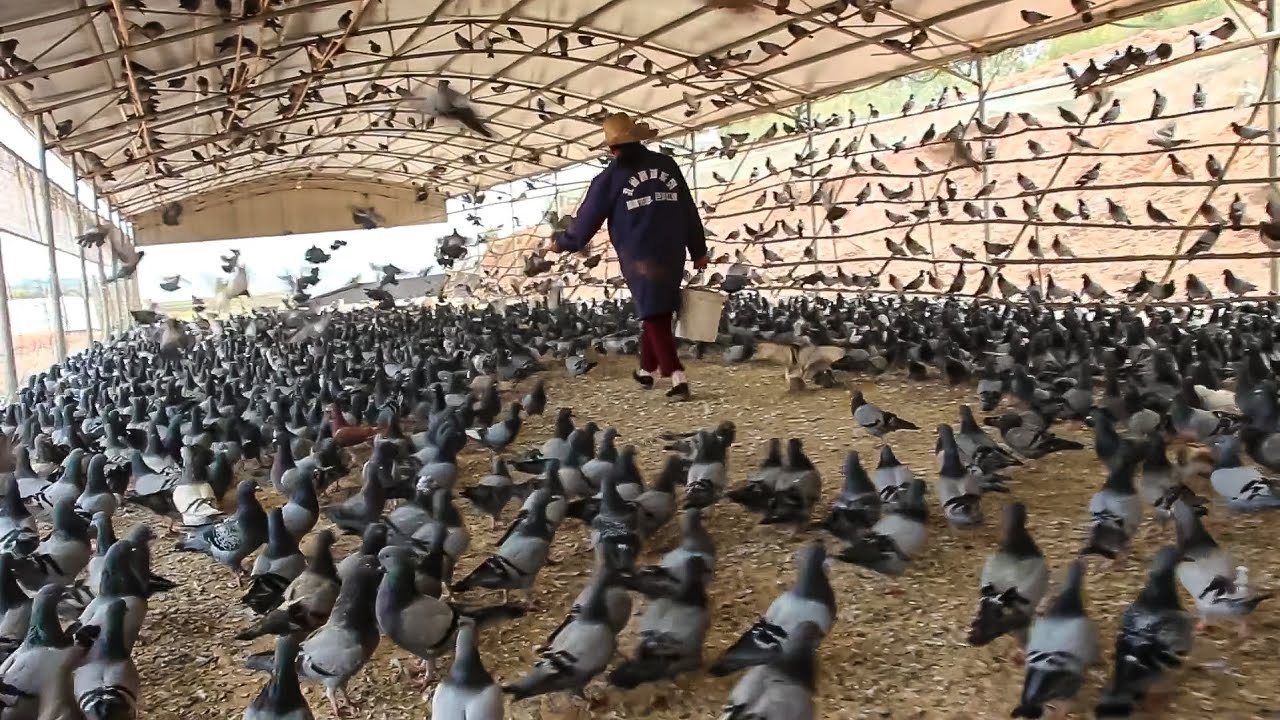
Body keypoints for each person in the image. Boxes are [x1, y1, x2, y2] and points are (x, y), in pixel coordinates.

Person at [549, 112, 708, 400]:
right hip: (672, 249)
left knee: (654, 312)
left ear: (612, 149)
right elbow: (687, 207)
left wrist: (563, 243)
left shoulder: (609, 178)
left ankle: (676, 376)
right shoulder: (667, 165)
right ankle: (646, 370)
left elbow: (586, 221)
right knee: (658, 310)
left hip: (639, 255)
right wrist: (698, 249)